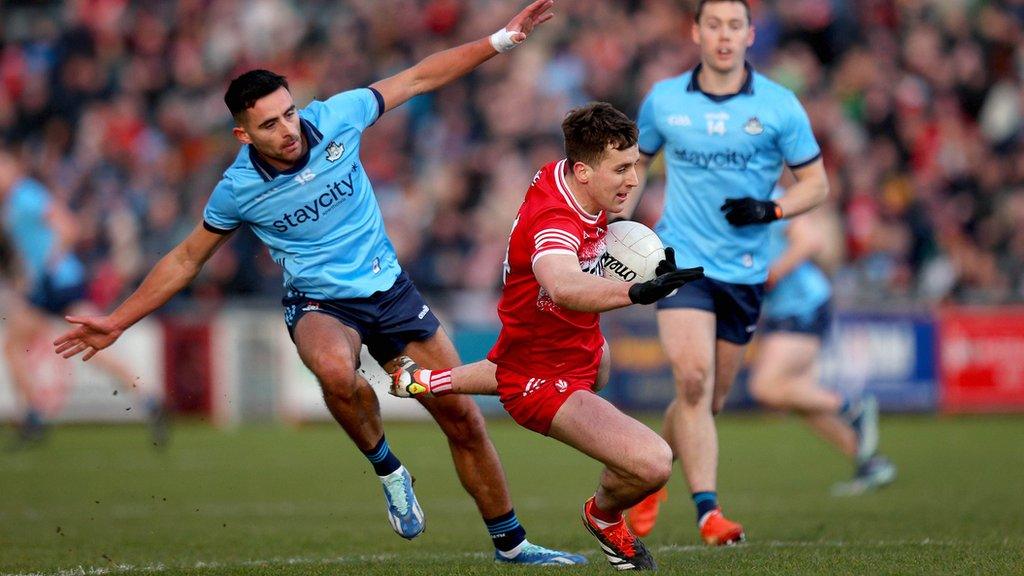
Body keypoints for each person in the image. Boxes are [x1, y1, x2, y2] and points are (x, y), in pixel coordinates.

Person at [52, 1, 588, 565]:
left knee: (462, 418)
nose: (286, 129)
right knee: (335, 371)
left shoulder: (339, 115)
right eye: (268, 124)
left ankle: (512, 544)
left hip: (392, 292)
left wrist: (500, 40)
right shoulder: (238, 189)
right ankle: (388, 468)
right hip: (320, 303)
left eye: (288, 113)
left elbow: (420, 76)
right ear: (242, 134)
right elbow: (187, 260)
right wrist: (116, 320)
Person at [388, 102, 705, 571]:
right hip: (545, 375)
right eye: (622, 169)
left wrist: (639, 258)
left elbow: (594, 240)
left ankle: (422, 382)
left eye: (635, 165)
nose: (633, 180)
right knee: (654, 463)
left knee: (591, 369)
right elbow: (562, 283)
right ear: (582, 170)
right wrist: (635, 290)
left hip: (560, 344)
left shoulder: (563, 176)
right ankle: (603, 517)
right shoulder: (556, 220)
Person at [621, 0, 831, 544]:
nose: (723, 35)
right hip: (681, 259)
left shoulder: (780, 106)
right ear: (696, 32)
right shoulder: (664, 101)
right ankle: (709, 513)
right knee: (691, 380)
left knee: (708, 400)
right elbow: (639, 163)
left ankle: (649, 479)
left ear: (750, 35)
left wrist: (772, 210)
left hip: (744, 270)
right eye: (713, 24)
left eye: (734, 25)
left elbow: (817, 184)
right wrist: (619, 220)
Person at [0, 149, 167, 449]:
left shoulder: (26, 194)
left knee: (88, 343)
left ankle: (36, 416)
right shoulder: (12, 203)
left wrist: (48, 267)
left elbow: (67, 227)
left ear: (13, 167)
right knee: (18, 344)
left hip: (59, 283)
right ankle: (147, 399)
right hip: (47, 285)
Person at [747, 188, 896, 496]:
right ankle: (870, 463)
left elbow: (810, 241)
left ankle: (851, 408)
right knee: (801, 398)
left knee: (766, 387)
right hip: (784, 308)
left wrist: (772, 274)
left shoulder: (766, 193)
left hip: (803, 303)